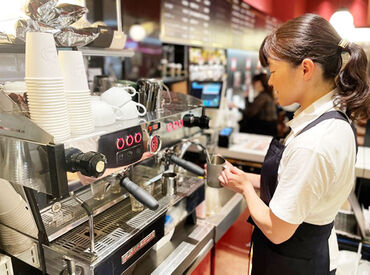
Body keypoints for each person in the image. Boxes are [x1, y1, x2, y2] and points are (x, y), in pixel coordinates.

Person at [218, 14, 370, 275]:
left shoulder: (314, 143)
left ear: (306, 69)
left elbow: (277, 230)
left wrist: (245, 188)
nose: (270, 81)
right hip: (306, 256)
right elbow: (291, 180)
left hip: (293, 265)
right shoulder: (331, 120)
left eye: (274, 71)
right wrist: (247, 177)